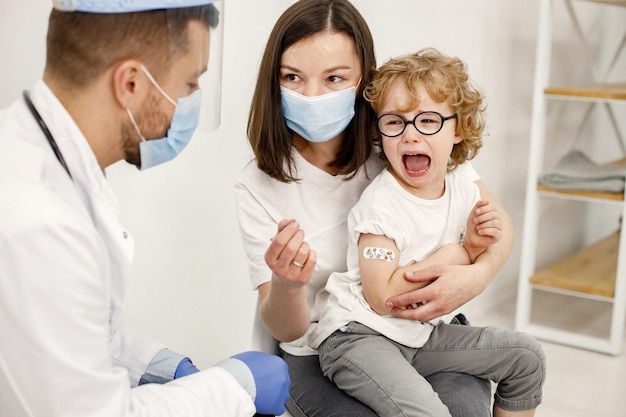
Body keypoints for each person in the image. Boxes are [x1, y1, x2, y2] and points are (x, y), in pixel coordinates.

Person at [0, 1, 290, 416]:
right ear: (131, 83)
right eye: (190, 83)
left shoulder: (46, 159)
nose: (192, 100)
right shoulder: (37, 219)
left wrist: (157, 366)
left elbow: (69, 334)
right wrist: (232, 388)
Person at [235, 1, 516, 416]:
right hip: (324, 345)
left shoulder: (402, 134)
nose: (313, 95)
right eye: (293, 77)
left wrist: (477, 275)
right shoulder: (258, 185)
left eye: (334, 78)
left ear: (362, 79)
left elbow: (499, 224)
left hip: (423, 329)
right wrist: (288, 285)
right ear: (273, 82)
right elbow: (286, 328)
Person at [310, 48, 546, 417]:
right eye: (395, 122)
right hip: (359, 337)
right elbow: (381, 295)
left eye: (429, 121)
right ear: (380, 132)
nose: (411, 136)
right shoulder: (381, 204)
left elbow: (499, 234)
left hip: (420, 335)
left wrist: (481, 253)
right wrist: (462, 252)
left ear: (460, 128)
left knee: (526, 358)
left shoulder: (463, 184)